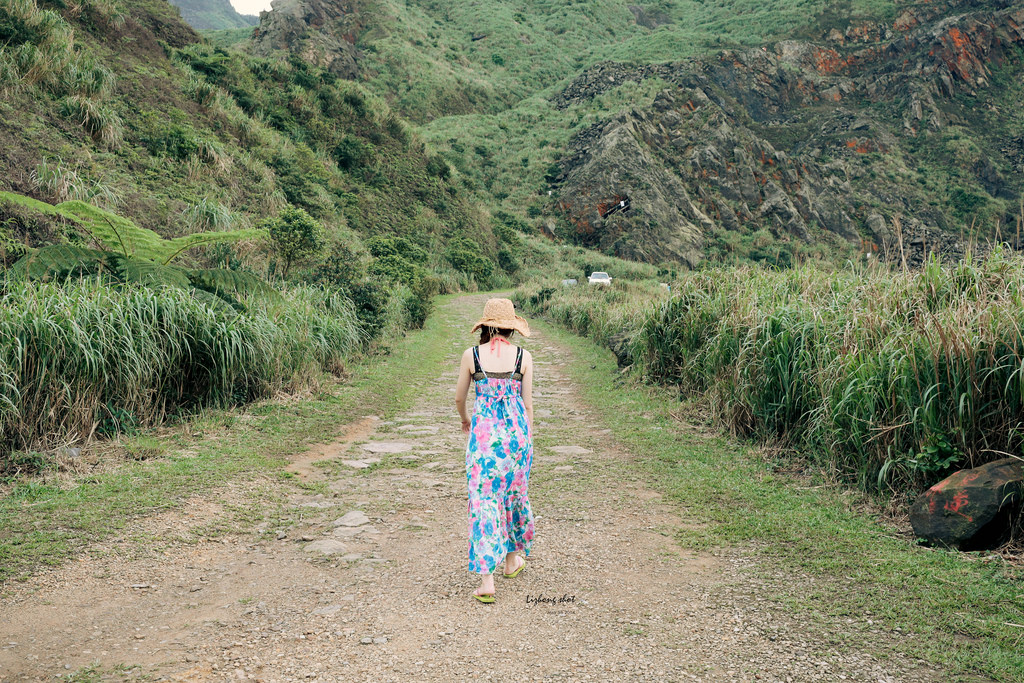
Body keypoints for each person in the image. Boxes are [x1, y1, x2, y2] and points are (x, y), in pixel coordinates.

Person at [454, 298, 535, 603]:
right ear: (511, 328)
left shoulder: (471, 356)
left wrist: (465, 420)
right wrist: (528, 440)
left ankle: (487, 581)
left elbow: (459, 398)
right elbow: (527, 405)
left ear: (486, 325)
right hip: (517, 441)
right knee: (513, 497)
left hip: (484, 442)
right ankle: (512, 561)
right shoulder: (523, 358)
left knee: (484, 501)